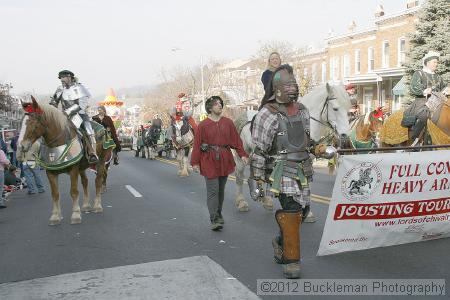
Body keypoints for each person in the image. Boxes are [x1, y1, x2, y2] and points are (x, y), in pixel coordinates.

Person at [251, 64, 334, 279]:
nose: (292, 88)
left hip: (303, 169)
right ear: (277, 88)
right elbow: (259, 149)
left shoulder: (303, 110)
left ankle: (280, 241)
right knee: (291, 210)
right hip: (281, 170)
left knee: (302, 212)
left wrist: (318, 148)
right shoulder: (266, 114)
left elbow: (305, 140)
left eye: (293, 83)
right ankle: (292, 261)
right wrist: (257, 179)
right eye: (287, 84)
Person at [191, 96, 249, 231]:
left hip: (224, 158)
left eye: (220, 104)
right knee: (213, 190)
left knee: (221, 191)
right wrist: (195, 162)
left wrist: (243, 154)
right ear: (210, 108)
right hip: (208, 159)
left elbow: (236, 141)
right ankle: (214, 219)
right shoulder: (203, 125)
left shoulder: (228, 123)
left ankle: (218, 213)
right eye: (216, 104)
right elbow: (197, 144)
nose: (220, 106)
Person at [50, 70, 98, 163]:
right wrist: (53, 109)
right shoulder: (60, 89)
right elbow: (54, 102)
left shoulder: (80, 88)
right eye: (61, 78)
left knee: (89, 132)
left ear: (70, 77)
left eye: (64, 77)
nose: (62, 80)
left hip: (80, 115)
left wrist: (67, 112)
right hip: (64, 116)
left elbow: (81, 105)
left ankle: (92, 153)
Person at [403, 51, 447, 140]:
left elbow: (443, 87)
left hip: (438, 102)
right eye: (434, 62)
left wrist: (446, 89)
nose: (436, 64)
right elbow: (413, 87)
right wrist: (424, 91)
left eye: (437, 62)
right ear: (427, 62)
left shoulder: (438, 76)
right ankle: (415, 139)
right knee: (423, 115)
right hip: (422, 102)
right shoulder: (419, 73)